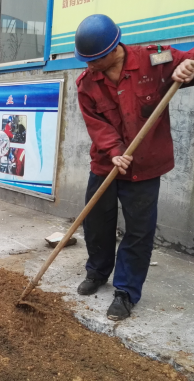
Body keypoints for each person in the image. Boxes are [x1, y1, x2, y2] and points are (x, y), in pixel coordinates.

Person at [74, 14, 194, 321]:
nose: (88, 67)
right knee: (96, 222)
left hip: (145, 164)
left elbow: (190, 58)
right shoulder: (87, 83)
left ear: (113, 50)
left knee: (139, 231)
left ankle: (126, 291)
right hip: (106, 162)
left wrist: (188, 68)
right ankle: (97, 271)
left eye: (94, 60)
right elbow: (96, 123)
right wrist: (114, 151)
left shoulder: (154, 58)